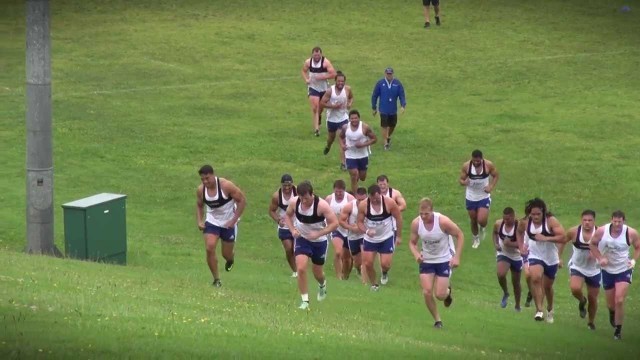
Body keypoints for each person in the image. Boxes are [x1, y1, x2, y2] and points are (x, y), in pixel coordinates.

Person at [283, 181, 338, 310]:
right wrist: (292, 230)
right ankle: (305, 301)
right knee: (301, 268)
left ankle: (322, 285)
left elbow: (334, 224)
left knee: (317, 273)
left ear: (312, 195)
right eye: (301, 198)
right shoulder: (294, 202)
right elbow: (287, 216)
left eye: (306, 198)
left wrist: (318, 233)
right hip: (302, 239)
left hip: (319, 242)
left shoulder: (322, 205)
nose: (303, 201)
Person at [409, 198, 464, 328]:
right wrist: (416, 254)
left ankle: (447, 292)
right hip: (427, 260)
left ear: (432, 211)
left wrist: (457, 257)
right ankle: (437, 320)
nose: (423, 216)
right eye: (421, 213)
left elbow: (460, 235)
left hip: (444, 259)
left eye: (426, 214)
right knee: (427, 292)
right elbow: (412, 242)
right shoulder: (416, 223)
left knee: (439, 295)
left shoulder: (443, 221)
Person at [589, 211, 639, 340]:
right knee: (611, 304)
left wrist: (633, 260)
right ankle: (612, 312)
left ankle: (618, 330)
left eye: (620, 222)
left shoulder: (630, 233)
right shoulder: (602, 231)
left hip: (624, 269)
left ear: (624, 221)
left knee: (620, 300)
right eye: (615, 221)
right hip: (607, 270)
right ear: (611, 220)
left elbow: (638, 247)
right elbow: (592, 244)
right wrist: (600, 258)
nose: (617, 224)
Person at [195, 165, 247, 287]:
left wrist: (234, 220)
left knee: (226, 254)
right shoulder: (201, 190)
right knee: (210, 247)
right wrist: (199, 220)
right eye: (202, 179)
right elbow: (199, 205)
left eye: (207, 178)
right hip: (212, 221)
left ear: (213, 175)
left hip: (229, 223)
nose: (205, 182)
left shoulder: (225, 186)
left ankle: (230, 259)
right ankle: (216, 279)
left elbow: (242, 200)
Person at [516, 198, 565, 323]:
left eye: (538, 214)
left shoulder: (550, 221)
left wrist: (546, 238)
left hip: (551, 258)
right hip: (535, 255)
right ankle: (539, 310)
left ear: (543, 212)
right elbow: (519, 232)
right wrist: (521, 246)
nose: (536, 216)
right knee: (536, 278)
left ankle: (550, 308)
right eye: (533, 214)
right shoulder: (525, 222)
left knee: (547, 287)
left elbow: (563, 237)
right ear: (529, 213)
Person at [557, 210, 600, 330]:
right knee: (575, 289)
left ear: (594, 221)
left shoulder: (600, 233)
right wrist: (559, 257)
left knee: (593, 298)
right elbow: (562, 242)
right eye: (585, 220)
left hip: (594, 269)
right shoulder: (574, 231)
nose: (587, 223)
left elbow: (608, 247)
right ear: (581, 220)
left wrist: (598, 254)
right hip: (578, 266)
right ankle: (582, 300)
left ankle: (591, 322)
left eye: (590, 220)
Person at [356, 184, 403, 290]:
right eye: (372, 199)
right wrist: (367, 231)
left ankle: (385, 272)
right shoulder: (364, 205)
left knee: (385, 264)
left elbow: (399, 218)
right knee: (368, 263)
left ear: (380, 194)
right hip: (371, 239)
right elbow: (359, 222)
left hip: (386, 237)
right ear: (369, 197)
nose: (375, 201)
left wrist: (399, 236)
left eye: (377, 198)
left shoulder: (389, 203)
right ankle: (374, 285)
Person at [458, 150, 499, 249]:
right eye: (474, 161)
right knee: (473, 219)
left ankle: (483, 227)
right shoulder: (466, 166)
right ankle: (476, 238)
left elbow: (496, 175)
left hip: (483, 196)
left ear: (482, 159)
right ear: (471, 158)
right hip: (471, 197)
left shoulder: (488, 165)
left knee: (481, 220)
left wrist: (491, 187)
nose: (476, 163)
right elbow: (461, 180)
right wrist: (464, 183)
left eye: (478, 161)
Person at [492, 207, 524, 311]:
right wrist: (496, 243)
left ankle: (517, 305)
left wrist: (510, 244)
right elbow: (494, 233)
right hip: (503, 253)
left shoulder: (519, 226)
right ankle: (505, 292)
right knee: (500, 274)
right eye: (504, 219)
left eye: (508, 219)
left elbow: (523, 244)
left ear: (513, 217)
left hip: (516, 256)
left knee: (516, 282)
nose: (506, 221)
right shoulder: (498, 224)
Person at [321, 71, 353, 170]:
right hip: (331, 119)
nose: (340, 83)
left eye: (342, 81)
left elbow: (351, 97)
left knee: (342, 140)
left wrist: (349, 104)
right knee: (331, 138)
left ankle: (343, 163)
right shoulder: (330, 91)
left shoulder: (347, 89)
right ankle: (328, 146)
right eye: (339, 81)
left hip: (343, 118)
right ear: (335, 81)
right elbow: (322, 103)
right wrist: (333, 106)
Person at [301, 47, 336, 137]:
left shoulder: (325, 62)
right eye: (315, 55)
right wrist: (306, 79)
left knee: (321, 107)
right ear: (312, 54)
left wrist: (322, 77)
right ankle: (317, 130)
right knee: (315, 107)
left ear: (321, 54)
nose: (317, 57)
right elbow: (303, 71)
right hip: (313, 87)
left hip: (323, 88)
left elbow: (333, 74)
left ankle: (319, 117)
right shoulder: (308, 62)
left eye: (318, 55)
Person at [340, 110, 377, 193]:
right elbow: (340, 137)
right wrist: (342, 145)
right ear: (349, 119)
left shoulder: (365, 127)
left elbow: (374, 139)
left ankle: (355, 184)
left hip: (363, 155)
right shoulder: (345, 127)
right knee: (354, 174)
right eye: (352, 118)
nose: (354, 120)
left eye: (356, 118)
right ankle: (355, 197)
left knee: (362, 177)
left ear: (359, 118)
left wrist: (363, 145)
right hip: (350, 155)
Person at [268, 174, 298, 278]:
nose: (287, 188)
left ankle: (300, 269)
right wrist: (277, 220)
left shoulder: (298, 192)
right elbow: (271, 211)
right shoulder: (277, 196)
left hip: (297, 225)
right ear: (281, 185)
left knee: (296, 249)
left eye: (289, 185)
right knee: (289, 248)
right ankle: (295, 271)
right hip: (284, 226)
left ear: (292, 184)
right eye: (284, 185)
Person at [325, 179, 355, 279]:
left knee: (347, 258)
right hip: (336, 229)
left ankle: (345, 276)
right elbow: (323, 212)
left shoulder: (350, 199)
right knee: (338, 252)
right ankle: (338, 277)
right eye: (336, 191)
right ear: (334, 190)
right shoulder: (329, 199)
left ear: (344, 190)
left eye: (340, 192)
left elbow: (355, 213)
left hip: (348, 230)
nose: (338, 194)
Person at [371, 67, 406, 151]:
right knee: (384, 125)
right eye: (387, 73)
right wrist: (374, 107)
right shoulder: (380, 83)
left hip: (393, 109)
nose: (389, 75)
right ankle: (385, 143)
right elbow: (375, 95)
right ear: (385, 74)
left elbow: (401, 95)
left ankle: (387, 137)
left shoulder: (397, 83)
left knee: (392, 125)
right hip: (383, 109)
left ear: (392, 74)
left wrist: (403, 105)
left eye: (390, 74)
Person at [339, 187, 368, 282]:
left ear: (367, 197)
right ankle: (358, 269)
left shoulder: (371, 206)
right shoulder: (349, 207)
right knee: (357, 262)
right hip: (353, 236)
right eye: (359, 199)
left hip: (365, 235)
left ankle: (365, 283)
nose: (361, 202)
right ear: (355, 197)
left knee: (365, 258)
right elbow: (341, 221)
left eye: (363, 199)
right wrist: (352, 228)